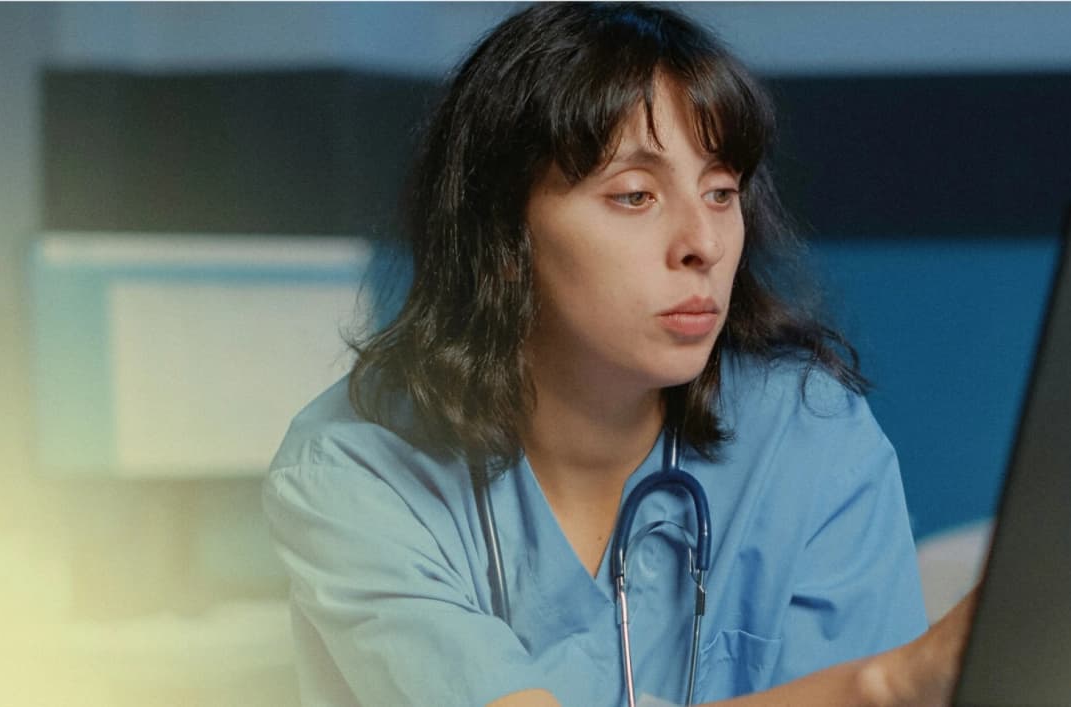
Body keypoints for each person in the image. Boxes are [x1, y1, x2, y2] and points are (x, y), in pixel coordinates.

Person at [261, 4, 978, 706]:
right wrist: (885, 686)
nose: (703, 242)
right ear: (503, 241)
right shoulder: (353, 467)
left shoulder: (810, 435)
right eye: (635, 195)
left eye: (722, 190)